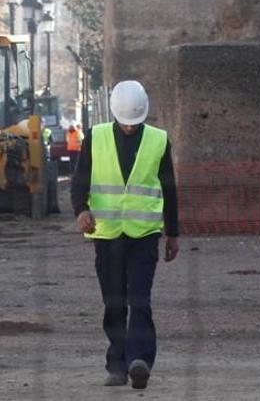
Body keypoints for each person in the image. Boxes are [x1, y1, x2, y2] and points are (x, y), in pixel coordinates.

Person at [70, 80, 179, 390]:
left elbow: (168, 189)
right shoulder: (97, 137)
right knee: (114, 302)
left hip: (144, 234)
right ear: (115, 115)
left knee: (140, 299)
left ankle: (139, 361)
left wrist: (173, 232)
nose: (130, 128)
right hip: (107, 236)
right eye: (125, 122)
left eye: (135, 122)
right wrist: (81, 210)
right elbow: (80, 180)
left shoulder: (159, 141)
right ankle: (116, 364)